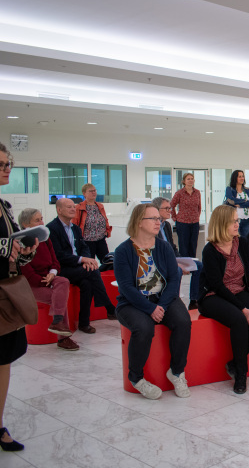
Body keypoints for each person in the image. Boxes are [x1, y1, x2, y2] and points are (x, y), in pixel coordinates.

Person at [115, 204, 192, 400]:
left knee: (183, 322)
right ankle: (136, 377)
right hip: (133, 302)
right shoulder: (123, 251)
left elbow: (174, 279)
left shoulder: (164, 246)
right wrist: (150, 308)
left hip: (164, 298)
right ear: (139, 223)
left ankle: (176, 372)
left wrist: (162, 306)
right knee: (144, 328)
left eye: (159, 218)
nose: (159, 222)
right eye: (153, 218)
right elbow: (125, 287)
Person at [199, 205, 249, 395]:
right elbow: (216, 285)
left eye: (238, 220)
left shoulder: (242, 243)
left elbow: (247, 275)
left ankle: (233, 363)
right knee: (239, 319)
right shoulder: (210, 250)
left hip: (238, 291)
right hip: (213, 295)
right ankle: (241, 374)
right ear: (222, 223)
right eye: (234, 221)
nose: (238, 224)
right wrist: (241, 307)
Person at [0, 144, 38, 452]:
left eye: (8, 163)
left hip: (5, 294)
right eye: (0, 164)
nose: (6, 168)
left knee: (4, 359)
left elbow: (11, 255)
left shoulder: (4, 205)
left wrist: (25, 252)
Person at [47, 198, 117, 331]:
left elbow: (84, 246)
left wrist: (86, 259)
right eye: (69, 207)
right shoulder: (52, 228)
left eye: (73, 207)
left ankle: (84, 323)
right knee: (92, 272)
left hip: (77, 268)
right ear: (59, 210)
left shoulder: (76, 228)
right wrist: (81, 260)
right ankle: (109, 307)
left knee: (87, 283)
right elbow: (58, 255)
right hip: (62, 269)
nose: (73, 209)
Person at [18, 208, 77, 350]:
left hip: (48, 277)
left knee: (63, 281)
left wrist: (52, 273)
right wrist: (45, 281)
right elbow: (27, 273)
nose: (42, 222)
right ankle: (63, 338)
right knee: (58, 297)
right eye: (37, 220)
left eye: (42, 218)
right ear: (26, 224)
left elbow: (55, 261)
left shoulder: (45, 238)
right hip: (31, 284)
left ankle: (57, 321)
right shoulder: (21, 244)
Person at [152, 197, 203, 310]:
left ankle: (194, 301)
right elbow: (157, 253)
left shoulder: (166, 226)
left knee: (199, 266)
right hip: (161, 262)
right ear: (156, 210)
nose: (169, 210)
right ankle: (174, 301)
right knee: (177, 270)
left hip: (172, 259)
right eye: (166, 208)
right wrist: (176, 264)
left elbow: (173, 248)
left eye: (170, 208)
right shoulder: (152, 228)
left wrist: (182, 260)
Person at [72, 183, 112, 262]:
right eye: (91, 191)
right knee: (89, 264)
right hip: (87, 242)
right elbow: (74, 224)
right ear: (84, 194)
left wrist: (107, 232)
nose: (94, 193)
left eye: (94, 190)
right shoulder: (79, 208)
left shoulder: (100, 206)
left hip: (100, 240)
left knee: (107, 262)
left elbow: (105, 220)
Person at [170, 172, 202, 258]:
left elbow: (199, 207)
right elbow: (171, 205)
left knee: (193, 246)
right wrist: (174, 217)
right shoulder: (179, 193)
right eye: (188, 179)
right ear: (184, 181)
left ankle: (193, 267)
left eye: (192, 179)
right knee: (184, 247)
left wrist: (197, 216)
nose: (190, 181)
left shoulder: (197, 192)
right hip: (182, 223)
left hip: (195, 223)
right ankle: (185, 268)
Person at [224, 170, 249, 238]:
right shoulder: (230, 189)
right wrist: (245, 201)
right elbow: (231, 200)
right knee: (235, 239)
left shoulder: (247, 190)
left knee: (246, 240)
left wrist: (240, 205)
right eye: (239, 176)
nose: (242, 178)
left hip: (246, 219)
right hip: (234, 219)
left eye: (243, 176)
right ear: (235, 178)